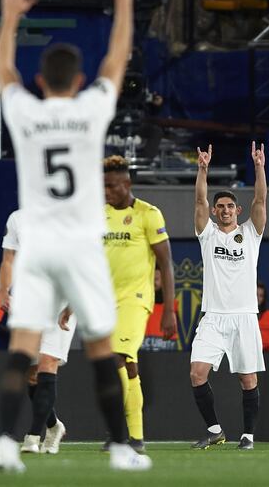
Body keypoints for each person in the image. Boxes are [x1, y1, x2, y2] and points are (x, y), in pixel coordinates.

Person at [0, 0, 151, 473]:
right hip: (81, 246)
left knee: (22, 351)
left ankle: (4, 444)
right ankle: (123, 448)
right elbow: (117, 59)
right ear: (78, 79)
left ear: (41, 80)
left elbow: (3, 71)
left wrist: (9, 17)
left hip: (37, 246)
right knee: (102, 349)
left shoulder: (26, 112)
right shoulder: (89, 111)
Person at [190, 141, 267, 451]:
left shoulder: (250, 233)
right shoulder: (207, 234)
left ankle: (247, 436)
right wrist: (202, 169)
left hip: (245, 316)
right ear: (215, 210)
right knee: (197, 372)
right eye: (219, 206)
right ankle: (215, 431)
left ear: (238, 210)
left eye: (229, 206)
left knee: (247, 380)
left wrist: (259, 166)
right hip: (213, 316)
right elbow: (198, 200)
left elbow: (261, 198)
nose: (223, 210)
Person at [103, 155, 177, 452]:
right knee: (129, 366)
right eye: (103, 186)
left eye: (111, 186)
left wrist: (168, 309)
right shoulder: (101, 215)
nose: (106, 192)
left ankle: (121, 434)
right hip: (105, 302)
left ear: (126, 183)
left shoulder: (149, 214)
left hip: (136, 300)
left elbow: (166, 264)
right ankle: (136, 437)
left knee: (116, 360)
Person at [0, 209, 77, 454]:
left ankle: (32, 436)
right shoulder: (17, 218)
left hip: (61, 300)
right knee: (31, 376)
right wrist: (3, 291)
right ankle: (54, 427)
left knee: (48, 361)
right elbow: (8, 259)